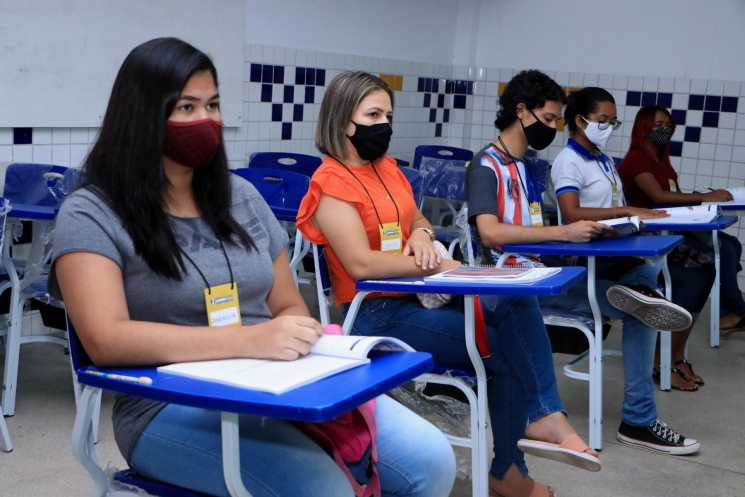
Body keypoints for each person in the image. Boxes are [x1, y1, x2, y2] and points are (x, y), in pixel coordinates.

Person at [48, 38, 456, 497]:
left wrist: (291, 339)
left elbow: (289, 306)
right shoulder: (91, 213)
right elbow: (105, 340)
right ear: (142, 115)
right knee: (324, 491)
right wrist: (251, 340)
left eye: (213, 105)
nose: (207, 120)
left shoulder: (242, 197)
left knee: (431, 460)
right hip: (164, 406)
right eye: (187, 107)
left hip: (275, 381)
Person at [297, 70, 601, 497]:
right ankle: (511, 468)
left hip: (418, 297)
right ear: (341, 118)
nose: (384, 124)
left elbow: (417, 218)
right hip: (374, 313)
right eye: (373, 115)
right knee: (504, 351)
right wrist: (431, 268)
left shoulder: (387, 169)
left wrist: (423, 235)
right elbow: (361, 265)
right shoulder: (330, 183)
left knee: (517, 301)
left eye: (388, 115)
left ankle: (543, 418)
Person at [466, 75, 701, 457]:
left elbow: (536, 231)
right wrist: (566, 231)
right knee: (642, 303)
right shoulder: (486, 165)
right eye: (547, 118)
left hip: (544, 273)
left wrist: (587, 233)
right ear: (520, 111)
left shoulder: (525, 168)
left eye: (555, 119)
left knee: (645, 292)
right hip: (511, 284)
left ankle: (640, 302)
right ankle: (635, 418)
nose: (552, 128)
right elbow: (490, 233)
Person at [619, 104, 745, 347]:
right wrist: (704, 197)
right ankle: (735, 311)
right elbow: (659, 197)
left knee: (731, 244)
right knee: (722, 252)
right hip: (651, 231)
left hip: (670, 223)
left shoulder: (660, 160)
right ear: (643, 128)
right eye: (658, 125)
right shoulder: (637, 159)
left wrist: (700, 198)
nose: (664, 130)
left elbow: (672, 196)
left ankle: (730, 310)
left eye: (668, 126)